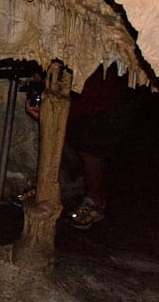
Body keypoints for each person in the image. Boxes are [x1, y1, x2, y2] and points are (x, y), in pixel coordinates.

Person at [23, 63, 130, 229]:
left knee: (90, 150)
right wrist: (38, 81)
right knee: (55, 140)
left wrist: (55, 108)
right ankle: (46, 189)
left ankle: (95, 200)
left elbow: (101, 95)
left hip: (100, 103)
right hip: (75, 95)